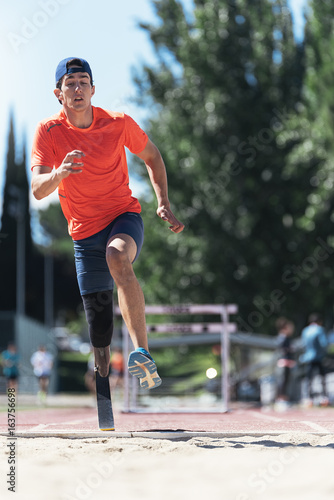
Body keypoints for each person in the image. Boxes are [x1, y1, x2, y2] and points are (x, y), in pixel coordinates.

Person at [31, 57, 184, 388]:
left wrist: (163, 202)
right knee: (99, 334)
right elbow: (38, 189)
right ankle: (103, 381)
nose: (77, 88)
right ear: (58, 93)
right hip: (84, 235)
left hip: (122, 218)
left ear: (93, 89)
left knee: (117, 257)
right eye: (70, 83)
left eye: (83, 82)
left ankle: (142, 352)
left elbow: (152, 156)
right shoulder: (48, 131)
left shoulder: (118, 122)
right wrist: (60, 173)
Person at [300, 313, 329, 406]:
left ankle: (308, 398)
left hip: (308, 357)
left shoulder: (305, 330)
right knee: (322, 378)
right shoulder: (320, 330)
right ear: (319, 322)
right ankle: (324, 398)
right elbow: (324, 344)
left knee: (308, 379)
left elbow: (303, 344)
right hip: (318, 357)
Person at [275, 317, 296, 406]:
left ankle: (284, 398)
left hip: (287, 362)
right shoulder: (282, 338)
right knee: (282, 381)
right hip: (284, 362)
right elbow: (282, 351)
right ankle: (281, 399)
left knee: (286, 381)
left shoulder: (286, 338)